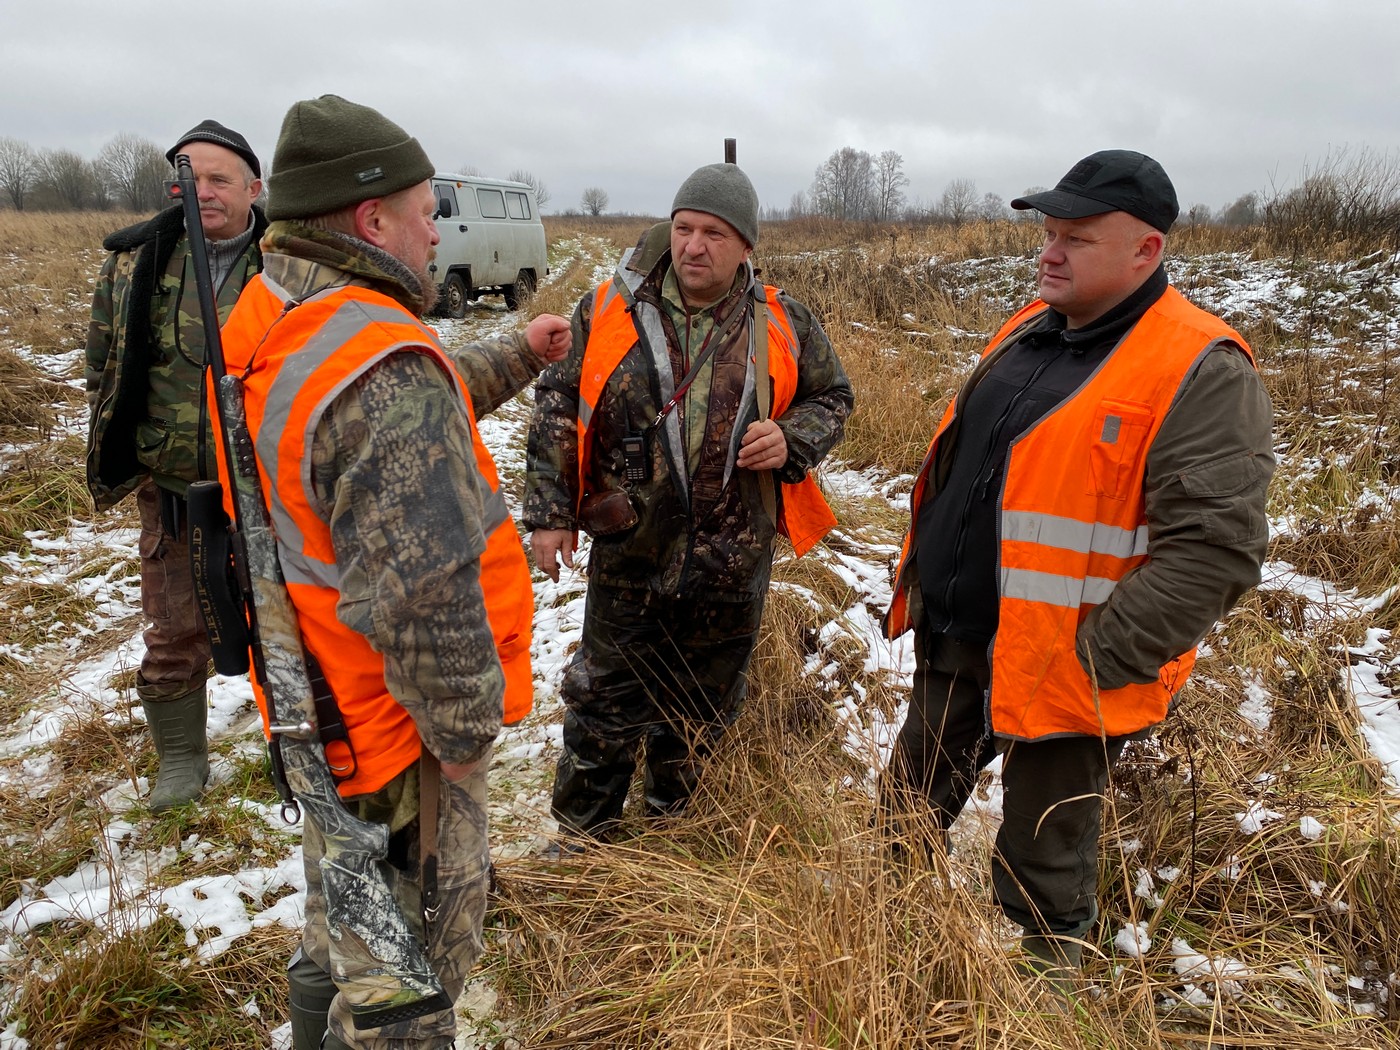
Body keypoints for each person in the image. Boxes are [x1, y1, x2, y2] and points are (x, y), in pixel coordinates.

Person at [217, 95, 569, 1050]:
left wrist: (516, 353)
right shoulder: (379, 363)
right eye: (425, 212)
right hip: (399, 739)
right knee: (407, 993)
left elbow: (385, 420)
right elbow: (425, 591)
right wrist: (462, 739)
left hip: (318, 704)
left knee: (348, 924)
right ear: (372, 222)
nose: (436, 231)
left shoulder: (271, 314)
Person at [881, 150, 1274, 988]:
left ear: (1146, 250)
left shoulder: (1200, 365)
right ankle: (886, 965)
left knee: (1040, 870)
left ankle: (1047, 1007)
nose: (1049, 253)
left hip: (1069, 666)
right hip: (961, 638)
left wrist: (1098, 656)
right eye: (1048, 234)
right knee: (903, 817)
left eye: (1077, 238)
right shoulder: (1030, 328)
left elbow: (1216, 551)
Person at [525, 162, 854, 841]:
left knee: (701, 711)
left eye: (713, 233)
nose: (693, 246)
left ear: (746, 245)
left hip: (732, 557)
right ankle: (583, 845)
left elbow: (833, 397)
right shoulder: (607, 308)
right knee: (603, 702)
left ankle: (674, 840)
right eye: (683, 228)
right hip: (630, 547)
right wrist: (551, 513)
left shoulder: (783, 320)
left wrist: (791, 439)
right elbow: (557, 400)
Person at [84, 119, 266, 812]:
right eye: (191, 178)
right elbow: (102, 365)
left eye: (220, 178)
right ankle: (182, 761)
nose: (204, 191)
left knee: (288, 614)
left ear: (254, 189)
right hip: (173, 485)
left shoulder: (286, 264)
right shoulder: (138, 262)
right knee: (172, 624)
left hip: (268, 484)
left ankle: (301, 741)